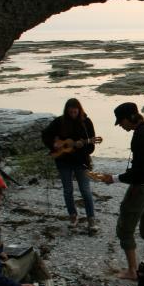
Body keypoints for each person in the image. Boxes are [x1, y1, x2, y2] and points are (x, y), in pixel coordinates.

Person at [100, 102, 144, 280]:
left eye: (121, 122)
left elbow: (138, 172)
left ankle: (132, 271)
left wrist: (113, 179)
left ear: (130, 118)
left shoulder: (139, 136)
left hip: (143, 188)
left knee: (125, 227)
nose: (121, 126)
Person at [41, 98, 101, 230]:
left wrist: (82, 146)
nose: (73, 114)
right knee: (68, 190)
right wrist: (54, 144)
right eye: (70, 112)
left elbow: (91, 147)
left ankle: (91, 219)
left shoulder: (86, 123)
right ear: (67, 111)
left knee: (85, 190)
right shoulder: (59, 122)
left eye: (75, 112)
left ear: (79, 110)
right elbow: (45, 134)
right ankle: (73, 216)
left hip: (81, 161)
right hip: (63, 161)